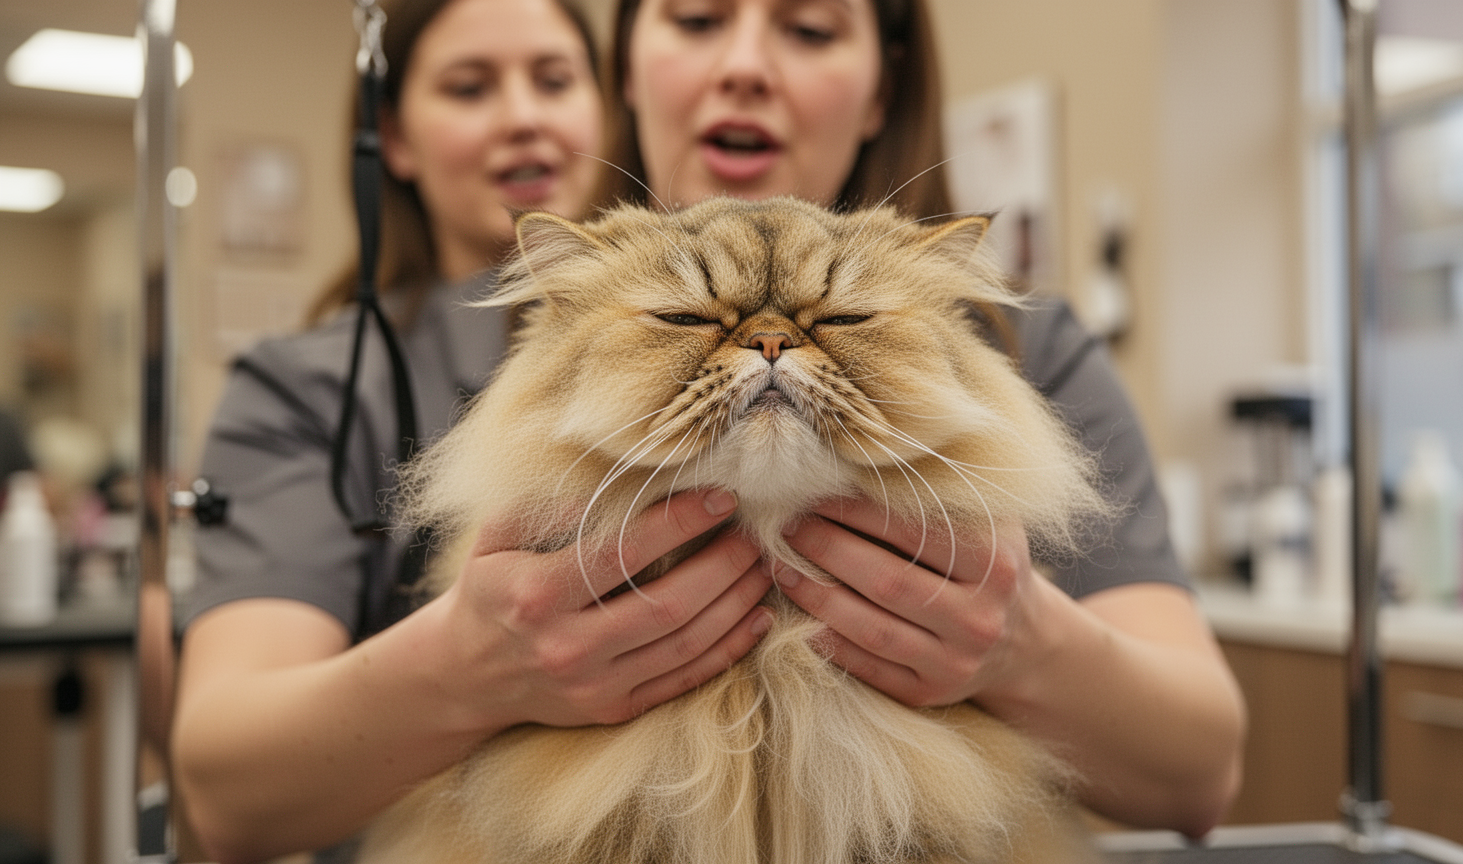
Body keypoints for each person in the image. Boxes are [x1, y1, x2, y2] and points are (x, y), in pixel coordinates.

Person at [598, 0, 1246, 838]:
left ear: (882, 88)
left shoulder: (1026, 346)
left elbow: (1203, 779)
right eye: (695, 19)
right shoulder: (411, 347)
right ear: (625, 66)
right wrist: (465, 672)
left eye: (810, 30)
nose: (746, 67)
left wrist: (1026, 647)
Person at [174, 2, 774, 862]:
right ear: (396, 138)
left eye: (555, 80)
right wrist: (461, 671)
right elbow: (224, 791)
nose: (523, 116)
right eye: (469, 87)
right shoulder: (305, 388)